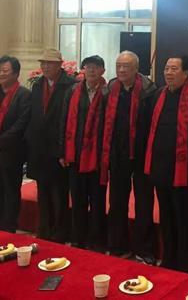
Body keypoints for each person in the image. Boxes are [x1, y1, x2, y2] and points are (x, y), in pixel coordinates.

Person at [144, 55, 188, 273]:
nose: (168, 73)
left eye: (174, 69)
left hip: (184, 170)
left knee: (183, 217)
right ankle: (169, 259)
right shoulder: (157, 95)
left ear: (186, 73)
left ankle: (184, 264)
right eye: (166, 68)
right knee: (165, 215)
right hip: (160, 167)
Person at [99, 51, 156, 262]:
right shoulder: (110, 90)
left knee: (144, 204)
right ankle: (118, 246)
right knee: (117, 203)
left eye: (126, 66)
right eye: (119, 66)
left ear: (136, 69)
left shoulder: (149, 91)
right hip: (118, 155)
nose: (121, 70)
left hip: (141, 156)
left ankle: (144, 249)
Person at [25, 48, 76, 242]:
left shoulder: (70, 85)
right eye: (43, 63)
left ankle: (60, 232)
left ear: (60, 65)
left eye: (50, 63)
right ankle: (44, 230)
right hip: (39, 148)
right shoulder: (38, 85)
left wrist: (64, 150)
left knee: (59, 193)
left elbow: (70, 120)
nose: (46, 67)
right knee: (43, 192)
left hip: (58, 149)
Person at [59, 55, 107, 250]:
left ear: (103, 70)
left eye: (95, 67)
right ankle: (78, 238)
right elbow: (63, 121)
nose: (91, 70)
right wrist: (62, 151)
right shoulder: (72, 91)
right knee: (78, 200)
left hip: (98, 157)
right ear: (83, 70)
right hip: (76, 155)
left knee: (97, 201)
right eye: (88, 67)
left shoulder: (109, 92)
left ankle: (96, 241)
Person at [0, 55, 31, 232]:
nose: (1, 74)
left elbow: (22, 123)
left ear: (16, 73)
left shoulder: (24, 95)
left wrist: (0, 141)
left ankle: (9, 229)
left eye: (5, 70)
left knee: (10, 192)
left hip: (11, 152)